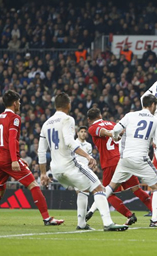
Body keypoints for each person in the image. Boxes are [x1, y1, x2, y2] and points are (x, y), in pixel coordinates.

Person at [38, 93, 128, 232]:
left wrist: (43, 173)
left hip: (55, 169)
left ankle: (81, 223)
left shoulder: (46, 124)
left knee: (84, 189)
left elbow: (41, 151)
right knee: (99, 188)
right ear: (68, 105)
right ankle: (108, 223)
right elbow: (69, 142)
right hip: (70, 165)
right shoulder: (68, 119)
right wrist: (87, 156)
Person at [0, 90, 64, 226]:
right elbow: (12, 140)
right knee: (34, 185)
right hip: (8, 159)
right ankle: (47, 218)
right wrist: (14, 160)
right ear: (14, 103)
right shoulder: (15, 118)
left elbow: (0, 140)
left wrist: (17, 157)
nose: (20, 104)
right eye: (18, 101)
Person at [104, 94, 157, 228]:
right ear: (152, 105)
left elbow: (116, 129)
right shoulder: (155, 121)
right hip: (140, 158)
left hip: (125, 159)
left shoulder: (130, 115)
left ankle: (90, 211)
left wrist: (116, 137)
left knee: (110, 188)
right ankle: (155, 220)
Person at [84, 108, 157, 226]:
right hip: (123, 160)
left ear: (88, 119)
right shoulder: (113, 124)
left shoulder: (92, 128)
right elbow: (123, 132)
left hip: (109, 163)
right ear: (101, 115)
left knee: (107, 193)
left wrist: (111, 134)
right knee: (136, 189)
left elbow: (102, 131)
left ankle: (129, 215)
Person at [73, 126, 93, 229]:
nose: (83, 133)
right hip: (76, 171)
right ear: (78, 133)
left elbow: (90, 157)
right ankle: (81, 221)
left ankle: (82, 221)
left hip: (87, 171)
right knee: (81, 193)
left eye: (85, 132)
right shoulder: (73, 143)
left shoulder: (89, 145)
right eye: (81, 132)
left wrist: (92, 163)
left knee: (84, 194)